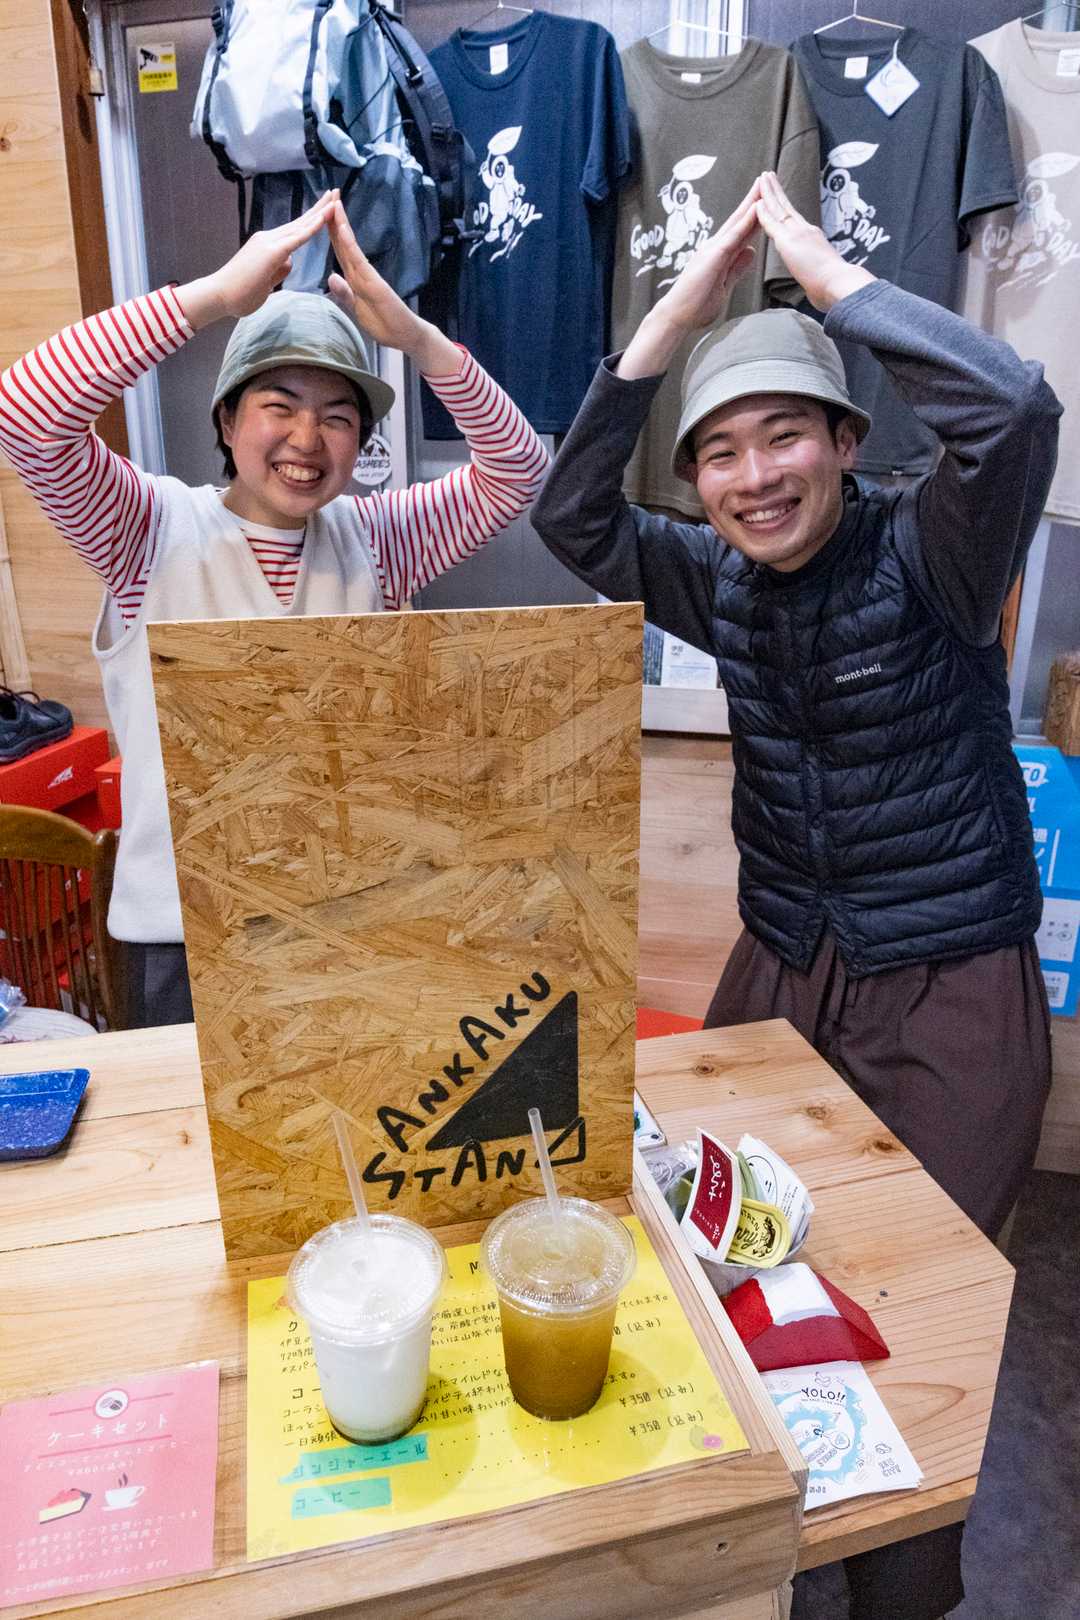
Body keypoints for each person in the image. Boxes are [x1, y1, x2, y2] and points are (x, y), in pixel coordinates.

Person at [532, 171, 1061, 1620]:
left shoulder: (936, 553)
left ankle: (901, 1592)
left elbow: (1015, 413)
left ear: (845, 443)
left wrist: (823, 274)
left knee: (918, 1302)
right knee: (744, 1268)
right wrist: (679, 314)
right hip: (780, 972)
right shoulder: (718, 581)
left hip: (951, 989)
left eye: (784, 436)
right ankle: (762, 1559)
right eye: (718, 452)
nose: (753, 477)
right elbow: (571, 513)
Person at [0, 193, 548, 1028]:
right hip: (183, 939)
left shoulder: (380, 538)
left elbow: (517, 471)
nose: (307, 438)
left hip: (351, 925)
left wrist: (419, 340)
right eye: (280, 405)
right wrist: (214, 298)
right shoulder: (146, 529)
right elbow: (27, 415)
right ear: (227, 419)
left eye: (338, 417)